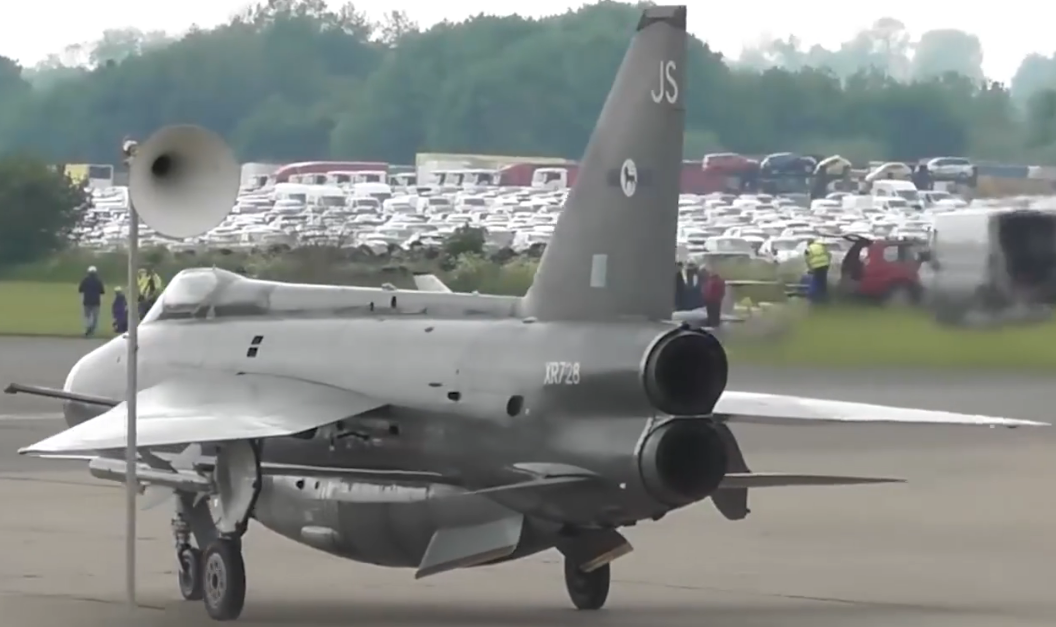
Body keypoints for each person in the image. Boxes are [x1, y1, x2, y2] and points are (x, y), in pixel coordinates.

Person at [77, 266, 105, 337]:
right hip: (96, 301)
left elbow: (80, 290)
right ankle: (92, 330)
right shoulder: (98, 281)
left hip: (87, 301)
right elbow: (102, 291)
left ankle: (88, 328)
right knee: (95, 317)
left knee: (87, 316)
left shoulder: (85, 280)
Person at [804, 239, 832, 304]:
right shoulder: (821, 246)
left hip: (816, 266)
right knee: (823, 279)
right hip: (825, 264)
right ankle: (823, 294)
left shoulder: (808, 249)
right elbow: (829, 255)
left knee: (816, 279)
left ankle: (812, 295)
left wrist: (810, 268)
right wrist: (828, 263)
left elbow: (807, 259)